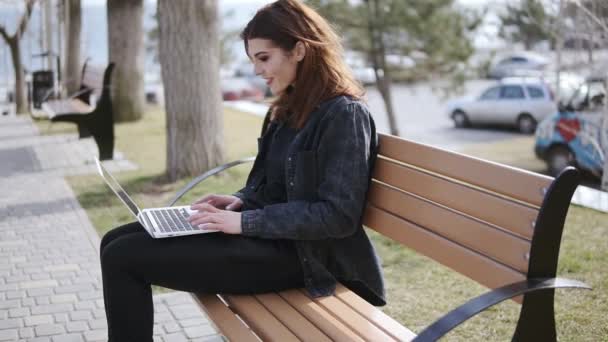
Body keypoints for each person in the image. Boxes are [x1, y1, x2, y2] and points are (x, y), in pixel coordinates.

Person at [99, 0, 384, 340]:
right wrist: (238, 201)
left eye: (264, 58)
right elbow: (268, 187)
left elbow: (338, 215)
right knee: (113, 240)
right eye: (253, 61)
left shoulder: (344, 115)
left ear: (300, 50)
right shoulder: (285, 110)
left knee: (123, 257)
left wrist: (245, 221)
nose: (258, 71)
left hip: (306, 259)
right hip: (268, 241)